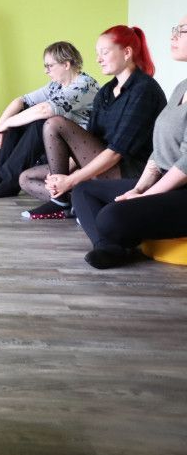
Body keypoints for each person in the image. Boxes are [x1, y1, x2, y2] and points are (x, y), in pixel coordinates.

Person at [72, 16, 187, 269]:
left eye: (183, 30)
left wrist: (145, 196)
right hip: (165, 181)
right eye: (175, 29)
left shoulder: (145, 88)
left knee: (110, 217)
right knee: (83, 191)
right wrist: (140, 188)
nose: (173, 35)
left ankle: (111, 242)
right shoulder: (181, 87)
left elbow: (185, 165)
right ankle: (109, 247)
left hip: (182, 189)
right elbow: (159, 151)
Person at [18, 25, 167, 219]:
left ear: (127, 53)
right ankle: (75, 202)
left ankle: (62, 201)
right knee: (26, 178)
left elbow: (115, 153)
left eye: (104, 52)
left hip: (130, 173)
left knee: (54, 123)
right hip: (102, 163)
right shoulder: (106, 92)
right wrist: (60, 176)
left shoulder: (144, 90)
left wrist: (70, 180)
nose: (98, 59)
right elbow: (90, 140)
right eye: (97, 54)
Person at [0, 41, 99, 198]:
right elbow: (21, 101)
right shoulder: (57, 85)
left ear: (66, 64)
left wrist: (5, 124)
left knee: (41, 122)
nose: (46, 71)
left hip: (75, 149)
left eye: (49, 66)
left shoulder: (83, 85)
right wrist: (0, 126)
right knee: (20, 115)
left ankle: (10, 181)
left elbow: (45, 110)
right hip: (57, 141)